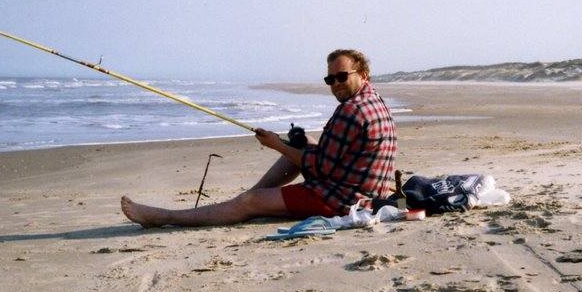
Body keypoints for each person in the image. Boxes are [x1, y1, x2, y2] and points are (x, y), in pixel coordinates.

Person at [120, 49, 398, 228]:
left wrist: (277, 144)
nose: (335, 83)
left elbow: (321, 168)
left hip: (345, 199)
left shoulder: (350, 111)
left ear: (362, 74)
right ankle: (255, 197)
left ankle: (164, 217)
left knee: (249, 202)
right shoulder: (373, 100)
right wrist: (293, 145)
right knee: (309, 141)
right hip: (366, 188)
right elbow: (329, 155)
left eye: (341, 76)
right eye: (330, 79)